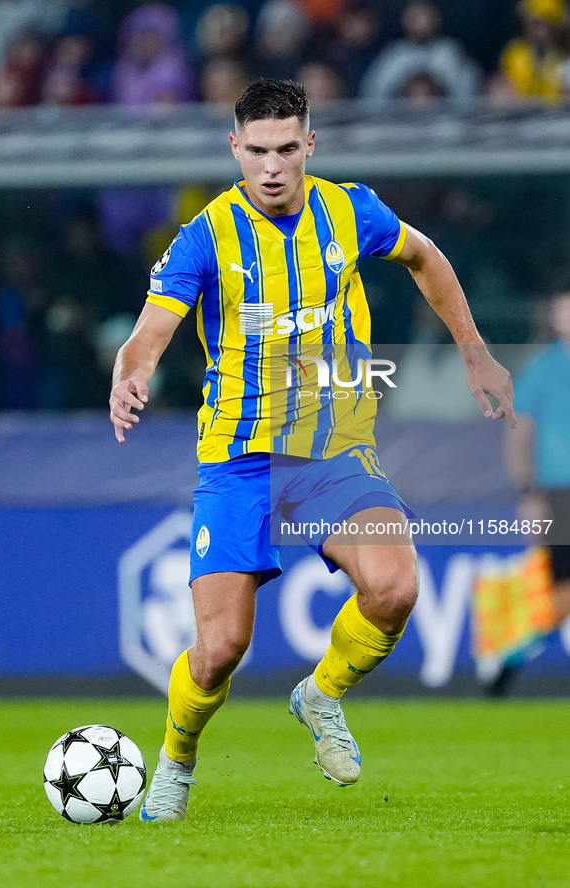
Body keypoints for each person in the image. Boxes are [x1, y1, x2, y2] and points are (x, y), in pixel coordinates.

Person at [109, 79, 515, 822]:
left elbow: (426, 258)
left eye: (286, 149)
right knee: (220, 650)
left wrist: (475, 353)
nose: (271, 167)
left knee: (394, 589)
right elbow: (149, 333)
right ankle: (176, 759)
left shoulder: (349, 209)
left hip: (333, 452)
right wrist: (129, 375)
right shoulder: (207, 234)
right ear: (235, 148)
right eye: (256, 151)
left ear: (309, 146)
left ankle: (319, 696)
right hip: (240, 461)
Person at [493, 290, 570, 694]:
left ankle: (511, 659)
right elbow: (519, 432)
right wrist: (528, 491)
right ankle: (511, 658)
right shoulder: (545, 367)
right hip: (561, 492)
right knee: (562, 592)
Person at [359, 0, 480, 108]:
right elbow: (372, 97)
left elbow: (469, 95)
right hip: (401, 125)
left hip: (444, 126)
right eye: (415, 14)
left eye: (425, 13)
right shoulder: (394, 54)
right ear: (404, 18)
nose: (421, 20)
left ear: (437, 16)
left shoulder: (450, 51)